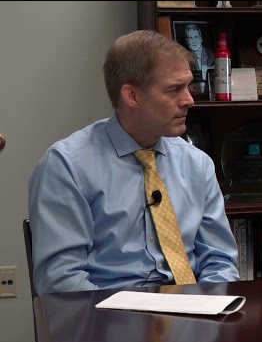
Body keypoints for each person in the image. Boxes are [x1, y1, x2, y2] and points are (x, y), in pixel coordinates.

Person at [28, 30, 239, 295]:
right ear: (132, 96)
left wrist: (205, 308)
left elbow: (220, 261)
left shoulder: (197, 164)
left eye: (187, 86)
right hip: (107, 313)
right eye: (174, 89)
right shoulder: (66, 166)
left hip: (193, 311)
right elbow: (61, 280)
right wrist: (125, 317)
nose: (189, 100)